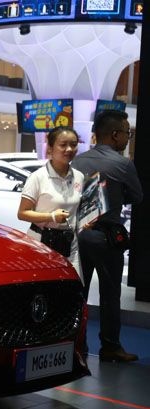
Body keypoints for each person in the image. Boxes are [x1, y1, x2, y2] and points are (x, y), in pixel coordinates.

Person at [71, 110, 143, 362]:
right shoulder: (123, 164)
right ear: (114, 134)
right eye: (126, 132)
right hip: (107, 238)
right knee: (110, 294)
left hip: (79, 236)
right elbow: (137, 197)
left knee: (77, 295)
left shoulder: (77, 161)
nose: (127, 137)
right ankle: (110, 347)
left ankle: (75, 346)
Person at [17, 126, 85, 280]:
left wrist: (85, 221)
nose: (69, 149)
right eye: (63, 145)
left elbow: (76, 210)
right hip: (41, 242)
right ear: (50, 148)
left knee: (72, 285)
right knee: (44, 286)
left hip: (70, 244)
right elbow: (22, 213)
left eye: (73, 145)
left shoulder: (79, 177)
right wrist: (52, 216)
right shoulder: (38, 177)